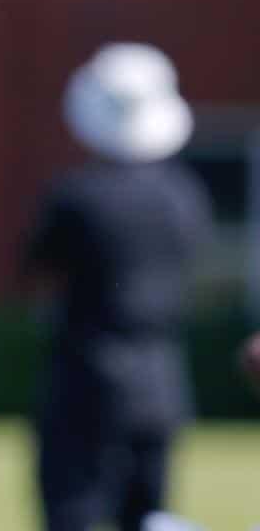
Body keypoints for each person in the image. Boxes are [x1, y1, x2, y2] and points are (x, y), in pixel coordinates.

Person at [25, 43, 212, 531]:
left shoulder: (77, 196)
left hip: (86, 378)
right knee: (149, 516)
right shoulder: (184, 195)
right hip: (161, 380)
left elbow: (36, 263)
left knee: (72, 512)